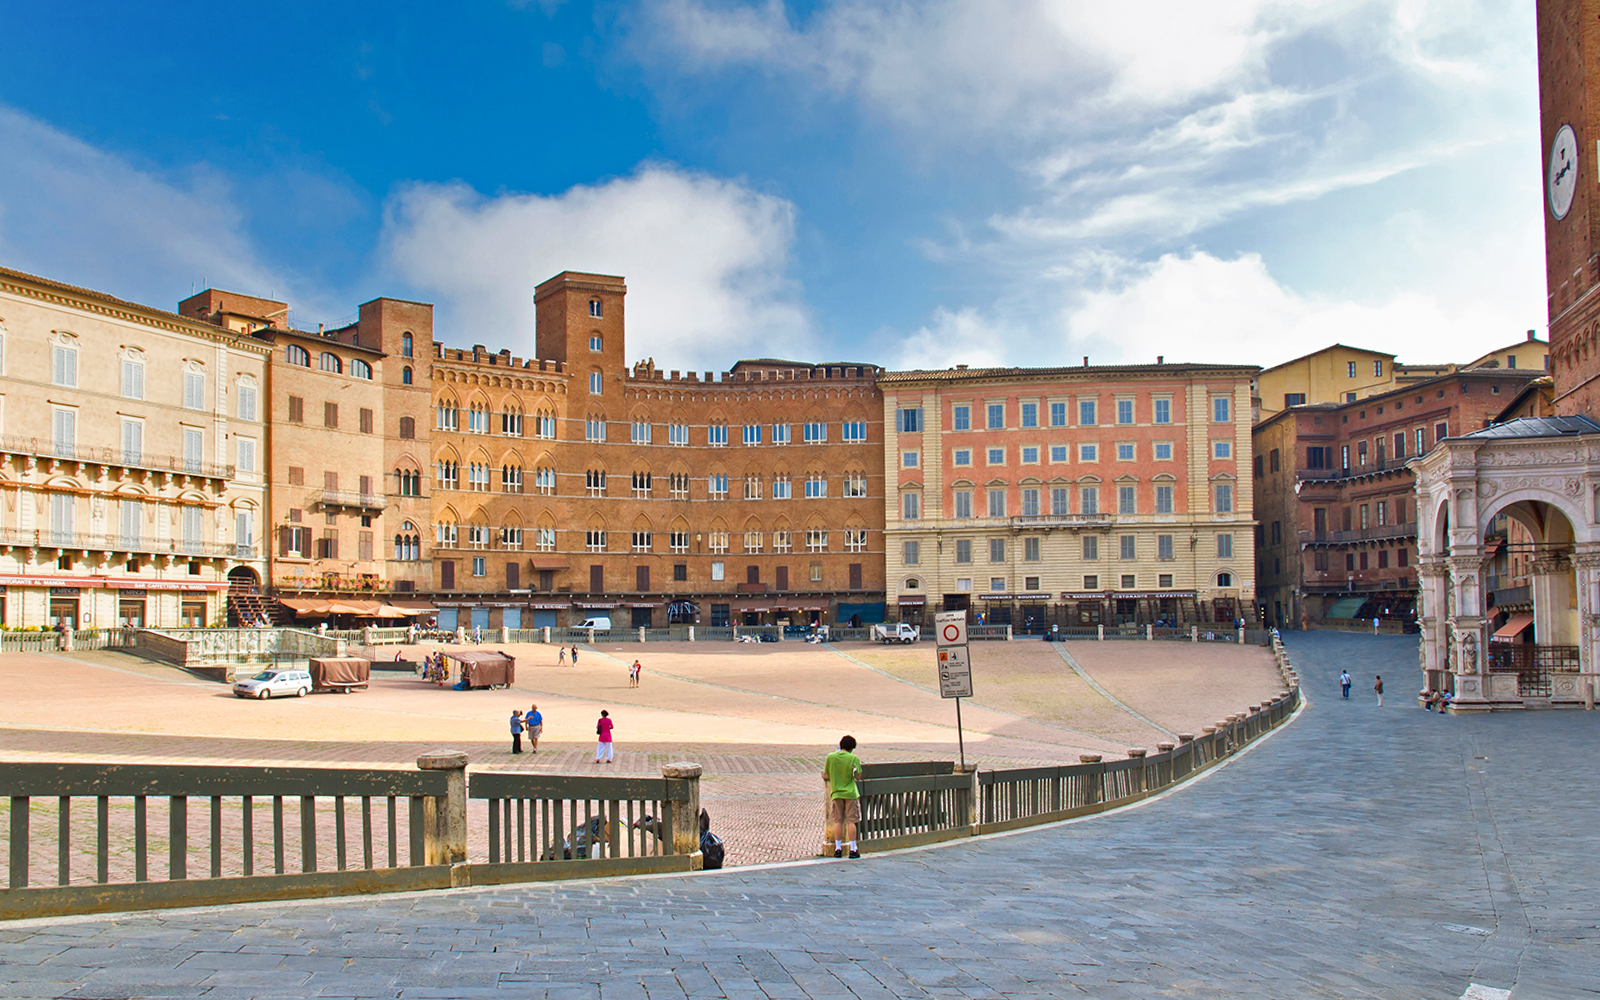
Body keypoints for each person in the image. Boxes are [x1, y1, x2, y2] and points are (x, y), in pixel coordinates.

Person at [823, 735, 863, 859]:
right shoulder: (853, 758)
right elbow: (858, 776)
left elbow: (827, 775)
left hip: (836, 792)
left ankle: (838, 849)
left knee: (838, 821)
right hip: (850, 793)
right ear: (851, 748)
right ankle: (852, 849)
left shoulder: (831, 757)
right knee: (851, 821)